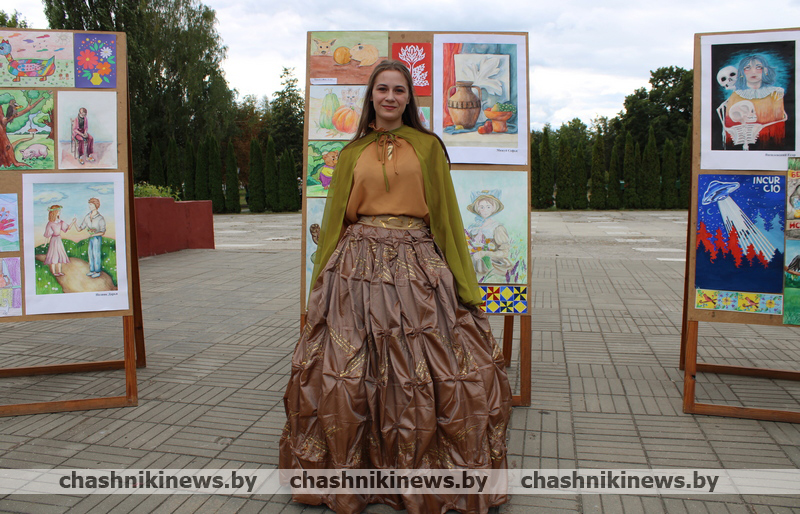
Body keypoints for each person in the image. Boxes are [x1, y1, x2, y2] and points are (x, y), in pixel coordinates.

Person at [280, 60, 512, 514]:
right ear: (371, 95)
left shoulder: (428, 147)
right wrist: (318, 286)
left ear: (409, 98)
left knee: (423, 365)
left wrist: (465, 287)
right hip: (356, 269)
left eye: (399, 90)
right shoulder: (352, 152)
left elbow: (446, 216)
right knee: (351, 367)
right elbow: (335, 219)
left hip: (416, 266)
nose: (390, 97)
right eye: (383, 89)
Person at [722, 54, 788, 149]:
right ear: (742, 73)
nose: (753, 72)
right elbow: (730, 128)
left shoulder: (775, 93)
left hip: (771, 143)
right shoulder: (735, 96)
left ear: (765, 70)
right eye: (747, 68)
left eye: (758, 67)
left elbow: (779, 126)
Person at [466, 190, 513, 282]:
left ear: (493, 209)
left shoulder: (497, 228)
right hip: (474, 263)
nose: (485, 210)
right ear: (477, 209)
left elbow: (504, 252)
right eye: (481, 207)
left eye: (488, 207)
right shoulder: (473, 228)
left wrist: (485, 253)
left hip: (493, 265)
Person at [75, 197, 106, 278]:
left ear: (96, 205)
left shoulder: (100, 218)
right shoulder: (87, 216)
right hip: (91, 238)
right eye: (89, 205)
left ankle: (97, 271)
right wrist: (75, 223)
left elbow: (103, 232)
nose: (90, 206)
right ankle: (92, 270)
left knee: (96, 253)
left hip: (97, 238)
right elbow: (80, 228)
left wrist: (94, 234)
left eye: (91, 205)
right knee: (90, 254)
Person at [43, 205, 75, 277]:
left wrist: (73, 222)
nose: (59, 213)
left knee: (60, 255)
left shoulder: (60, 222)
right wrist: (45, 244)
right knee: (54, 255)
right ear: (54, 212)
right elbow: (47, 234)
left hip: (58, 240)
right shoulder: (50, 223)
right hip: (53, 240)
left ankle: (59, 271)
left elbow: (67, 228)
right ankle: (54, 272)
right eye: (58, 211)